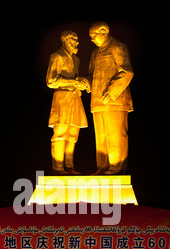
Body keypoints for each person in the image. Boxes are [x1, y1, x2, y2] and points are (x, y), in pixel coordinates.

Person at [88, 22, 134, 175]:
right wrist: (83, 83)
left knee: (115, 135)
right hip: (97, 101)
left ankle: (116, 167)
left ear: (104, 31)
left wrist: (112, 91)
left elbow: (127, 71)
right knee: (100, 136)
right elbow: (91, 75)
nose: (92, 39)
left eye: (94, 35)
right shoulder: (95, 53)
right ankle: (102, 166)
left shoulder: (118, 47)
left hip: (115, 101)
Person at [46, 30, 89, 175]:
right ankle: (58, 167)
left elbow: (76, 80)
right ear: (65, 40)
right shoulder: (57, 56)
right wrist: (74, 82)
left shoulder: (76, 59)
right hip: (62, 98)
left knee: (73, 134)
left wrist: (82, 83)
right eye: (74, 39)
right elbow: (51, 81)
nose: (77, 42)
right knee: (60, 133)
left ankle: (69, 166)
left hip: (75, 98)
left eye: (77, 39)